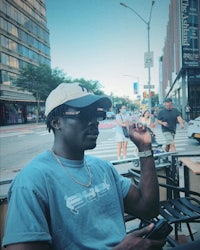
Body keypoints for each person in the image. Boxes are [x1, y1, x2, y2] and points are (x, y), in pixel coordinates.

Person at [3, 82, 166, 250]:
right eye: (83, 114)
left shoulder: (103, 168)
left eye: (97, 114)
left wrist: (145, 148)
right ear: (56, 122)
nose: (94, 121)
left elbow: (148, 209)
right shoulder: (32, 181)